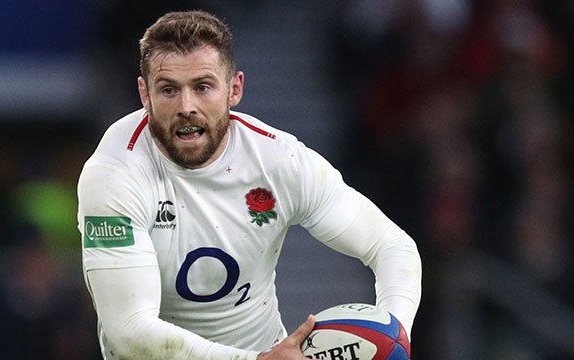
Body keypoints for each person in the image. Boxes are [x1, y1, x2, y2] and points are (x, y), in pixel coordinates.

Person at [77, 10, 422, 360]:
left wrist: (394, 333)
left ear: (235, 89)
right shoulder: (115, 174)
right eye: (168, 90)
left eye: (203, 86)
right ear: (144, 94)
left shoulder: (278, 160)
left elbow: (392, 246)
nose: (186, 107)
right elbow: (130, 332)